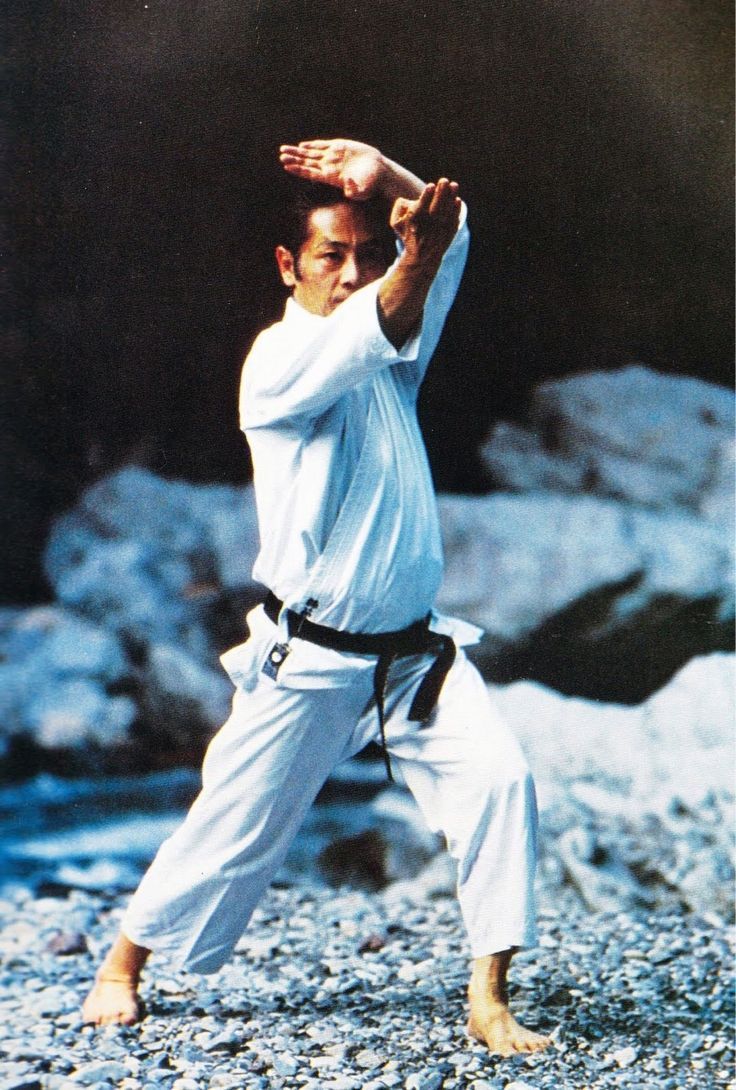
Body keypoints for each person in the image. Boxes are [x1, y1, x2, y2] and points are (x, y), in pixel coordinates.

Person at [82, 138, 550, 1056]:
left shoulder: (390, 358)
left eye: (368, 254)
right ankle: (122, 964)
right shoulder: (279, 363)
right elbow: (395, 298)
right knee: (233, 826)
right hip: (313, 659)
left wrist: (390, 177)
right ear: (288, 265)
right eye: (331, 255)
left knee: (503, 783)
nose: (351, 273)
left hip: (414, 658)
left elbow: (447, 243)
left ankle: (489, 996)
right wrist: (413, 254)